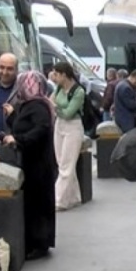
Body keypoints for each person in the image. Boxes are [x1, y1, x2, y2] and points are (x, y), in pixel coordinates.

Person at [2, 71, 57, 261]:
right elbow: (22, 125)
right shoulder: (28, 105)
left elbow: (39, 130)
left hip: (38, 164)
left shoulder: (38, 107)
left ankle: (39, 243)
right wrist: (12, 116)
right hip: (31, 162)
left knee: (37, 204)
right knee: (32, 203)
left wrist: (18, 140)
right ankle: (33, 242)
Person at [50, 62, 86, 212]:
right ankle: (74, 197)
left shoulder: (79, 91)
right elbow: (51, 100)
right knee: (62, 163)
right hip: (59, 124)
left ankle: (58, 200)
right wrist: (57, 108)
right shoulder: (58, 88)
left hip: (73, 127)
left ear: (64, 74)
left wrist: (55, 107)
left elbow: (69, 113)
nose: (54, 77)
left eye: (56, 74)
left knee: (67, 165)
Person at [113, 68, 136, 133]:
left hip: (125, 119)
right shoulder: (126, 87)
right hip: (127, 120)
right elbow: (130, 104)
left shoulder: (124, 85)